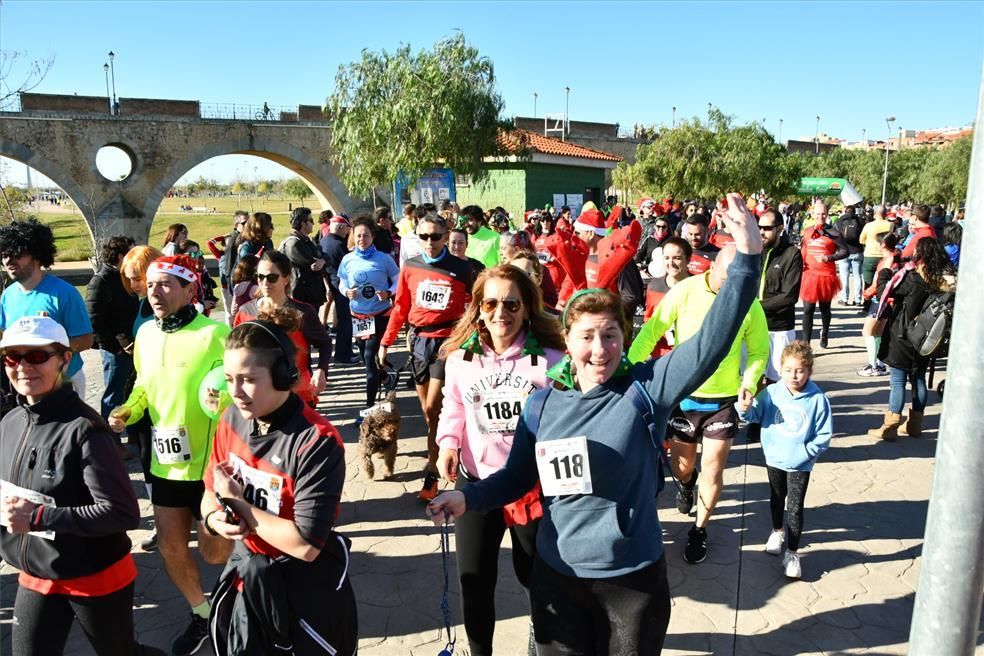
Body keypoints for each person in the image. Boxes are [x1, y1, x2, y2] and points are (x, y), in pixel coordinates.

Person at [427, 193, 763, 655]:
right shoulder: (541, 405)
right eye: (587, 336)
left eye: (611, 335)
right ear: (567, 340)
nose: (600, 349)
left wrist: (746, 261)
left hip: (632, 585)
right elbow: (517, 478)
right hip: (558, 578)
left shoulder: (646, 390)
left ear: (626, 338)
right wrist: (465, 496)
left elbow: (710, 344)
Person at [0, 315, 163, 656]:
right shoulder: (11, 421)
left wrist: (39, 517)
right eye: (13, 357)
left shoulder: (85, 430)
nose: (23, 367)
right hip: (38, 570)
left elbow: (121, 514)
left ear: (64, 359)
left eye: (37, 356)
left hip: (94, 575)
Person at [201, 320, 357, 656]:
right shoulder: (231, 419)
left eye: (249, 380)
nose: (236, 391)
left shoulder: (316, 441)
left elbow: (305, 545)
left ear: (284, 375)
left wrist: (238, 504)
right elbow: (209, 493)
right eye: (229, 380)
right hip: (247, 575)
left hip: (303, 590)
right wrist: (215, 520)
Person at [435, 264, 566, 656]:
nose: (500, 313)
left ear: (527, 308)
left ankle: (540, 639)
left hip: (529, 488)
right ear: (477, 308)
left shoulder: (551, 360)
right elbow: (453, 405)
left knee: (536, 579)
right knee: (474, 582)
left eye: (511, 303)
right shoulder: (461, 359)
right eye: (490, 303)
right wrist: (447, 444)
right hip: (476, 485)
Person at [109, 255, 231, 656]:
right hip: (166, 460)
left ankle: (237, 584)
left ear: (189, 290)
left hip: (213, 463)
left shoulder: (215, 332)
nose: (156, 292)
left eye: (166, 284)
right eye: (152, 284)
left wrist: (221, 391)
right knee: (170, 546)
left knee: (214, 553)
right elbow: (144, 385)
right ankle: (202, 612)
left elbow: (235, 380)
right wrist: (128, 409)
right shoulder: (144, 334)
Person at [629, 244, 769, 564]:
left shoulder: (748, 302)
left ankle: (699, 530)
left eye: (737, 280)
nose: (730, 286)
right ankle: (686, 485)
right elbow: (652, 331)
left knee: (714, 469)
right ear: (712, 267)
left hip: (723, 401)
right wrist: (631, 371)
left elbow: (760, 351)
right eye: (725, 278)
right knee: (683, 467)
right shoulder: (685, 291)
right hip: (685, 396)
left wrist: (749, 383)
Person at [380, 215, 475, 501]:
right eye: (424, 237)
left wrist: (471, 338)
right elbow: (400, 308)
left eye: (435, 236)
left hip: (449, 341)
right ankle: (448, 445)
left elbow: (475, 306)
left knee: (434, 408)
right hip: (419, 342)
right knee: (429, 414)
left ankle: (431, 473)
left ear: (446, 236)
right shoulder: (410, 266)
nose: (429, 242)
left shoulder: (461, 268)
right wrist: (386, 342)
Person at [736, 340, 832, 579]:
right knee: (776, 497)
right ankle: (777, 531)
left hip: (800, 462)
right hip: (775, 458)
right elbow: (754, 415)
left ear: (809, 371)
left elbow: (824, 434)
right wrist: (745, 408)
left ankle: (793, 552)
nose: (794, 375)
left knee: (795, 507)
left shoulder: (818, 399)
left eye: (800, 370)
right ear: (780, 370)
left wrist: (807, 453)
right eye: (788, 370)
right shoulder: (772, 392)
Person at [868, 238, 955, 441]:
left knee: (897, 381)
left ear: (920, 255)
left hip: (903, 336)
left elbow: (884, 290)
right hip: (926, 338)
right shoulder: (942, 280)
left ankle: (889, 427)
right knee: (918, 379)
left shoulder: (912, 278)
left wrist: (885, 271)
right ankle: (915, 425)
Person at [0, 219, 93, 397]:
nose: (8, 260)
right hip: (25, 382)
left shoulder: (64, 293)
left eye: (16, 253)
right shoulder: (7, 295)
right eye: (4, 255)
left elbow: (86, 339)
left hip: (64, 381)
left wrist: (47, 355)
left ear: (36, 254)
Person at [234, 251, 331, 409]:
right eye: (260, 277)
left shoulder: (303, 311)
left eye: (272, 277)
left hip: (296, 394)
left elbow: (325, 343)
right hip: (258, 395)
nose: (265, 282)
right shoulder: (245, 311)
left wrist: (321, 370)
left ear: (286, 279)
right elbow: (236, 352)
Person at [746, 209, 804, 443]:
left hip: (779, 328)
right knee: (753, 376)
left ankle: (777, 420)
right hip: (752, 327)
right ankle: (755, 420)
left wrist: (756, 307)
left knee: (778, 378)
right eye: (760, 227)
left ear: (780, 229)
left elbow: (789, 296)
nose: (762, 232)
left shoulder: (792, 254)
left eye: (768, 228)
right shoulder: (754, 252)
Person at [337, 216, 400, 413]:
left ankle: (369, 407)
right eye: (358, 236)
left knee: (369, 356)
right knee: (366, 358)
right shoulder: (347, 259)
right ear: (353, 237)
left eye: (365, 235)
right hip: (358, 316)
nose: (361, 239)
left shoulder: (383, 259)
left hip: (379, 315)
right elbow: (342, 282)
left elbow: (398, 280)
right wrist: (346, 291)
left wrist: (389, 292)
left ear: (372, 236)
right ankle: (386, 378)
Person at [86, 236, 138, 440]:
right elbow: (94, 320)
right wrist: (113, 347)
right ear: (119, 256)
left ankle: (132, 431)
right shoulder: (101, 280)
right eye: (131, 253)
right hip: (115, 350)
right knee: (113, 396)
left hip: (131, 345)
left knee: (130, 392)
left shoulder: (124, 276)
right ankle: (110, 440)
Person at [799, 201, 847, 348]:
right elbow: (804, 249)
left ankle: (825, 331)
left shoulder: (834, 232)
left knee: (825, 309)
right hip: (809, 274)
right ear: (813, 214)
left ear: (827, 214)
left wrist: (829, 258)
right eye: (818, 213)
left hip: (826, 275)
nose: (821, 216)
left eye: (824, 213)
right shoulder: (807, 231)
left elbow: (845, 251)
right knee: (808, 310)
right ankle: (806, 345)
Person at [641, 237, 692, 359]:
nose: (671, 263)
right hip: (660, 356)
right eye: (667, 258)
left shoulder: (698, 286)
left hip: (689, 355)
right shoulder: (654, 286)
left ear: (688, 260)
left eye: (677, 258)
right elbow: (649, 321)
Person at [320, 213, 359, 365]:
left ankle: (345, 353)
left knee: (344, 320)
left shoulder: (325, 240)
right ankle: (343, 355)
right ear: (341, 227)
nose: (348, 232)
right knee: (346, 322)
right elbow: (349, 264)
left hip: (333, 283)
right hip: (341, 285)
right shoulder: (338, 245)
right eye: (347, 229)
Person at [857, 233, 898, 377]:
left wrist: (867, 292)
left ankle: (873, 365)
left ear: (883, 245)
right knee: (878, 333)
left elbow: (879, 283)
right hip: (888, 300)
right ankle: (879, 363)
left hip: (881, 299)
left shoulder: (887, 260)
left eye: (878, 243)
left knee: (867, 331)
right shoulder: (895, 258)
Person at [281, 206, 328, 309]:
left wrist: (323, 261)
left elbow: (324, 256)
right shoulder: (293, 244)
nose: (313, 223)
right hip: (301, 295)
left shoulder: (306, 240)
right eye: (311, 220)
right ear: (303, 223)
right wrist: (321, 261)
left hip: (311, 293)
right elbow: (312, 264)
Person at [207, 210, 249, 326]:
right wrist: (235, 288)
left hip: (236, 285)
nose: (249, 225)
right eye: (245, 223)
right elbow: (231, 268)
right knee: (232, 314)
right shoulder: (234, 242)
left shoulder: (241, 238)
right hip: (232, 285)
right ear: (236, 225)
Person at [858, 205, 893, 309]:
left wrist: (869, 243)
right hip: (884, 256)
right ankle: (880, 302)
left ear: (875, 214)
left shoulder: (869, 225)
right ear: (885, 213)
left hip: (870, 256)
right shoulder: (890, 225)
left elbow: (861, 240)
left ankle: (867, 303)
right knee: (882, 281)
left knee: (868, 281)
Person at [177, 240, 219, 316]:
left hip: (201, 316)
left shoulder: (198, 272)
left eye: (198, 253)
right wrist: (202, 305)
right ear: (181, 255)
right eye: (192, 254)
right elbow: (181, 306)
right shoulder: (178, 276)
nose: (197, 257)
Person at [836, 205, 865, 305]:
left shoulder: (839, 221)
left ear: (845, 211)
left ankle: (844, 299)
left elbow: (836, 236)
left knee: (844, 276)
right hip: (857, 251)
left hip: (843, 251)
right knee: (857, 276)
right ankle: (858, 299)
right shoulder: (860, 221)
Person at [462, 204, 502, 269]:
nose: (467, 224)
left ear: (479, 221)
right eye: (465, 220)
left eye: (470, 220)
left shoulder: (496, 238)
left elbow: (503, 265)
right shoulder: (462, 237)